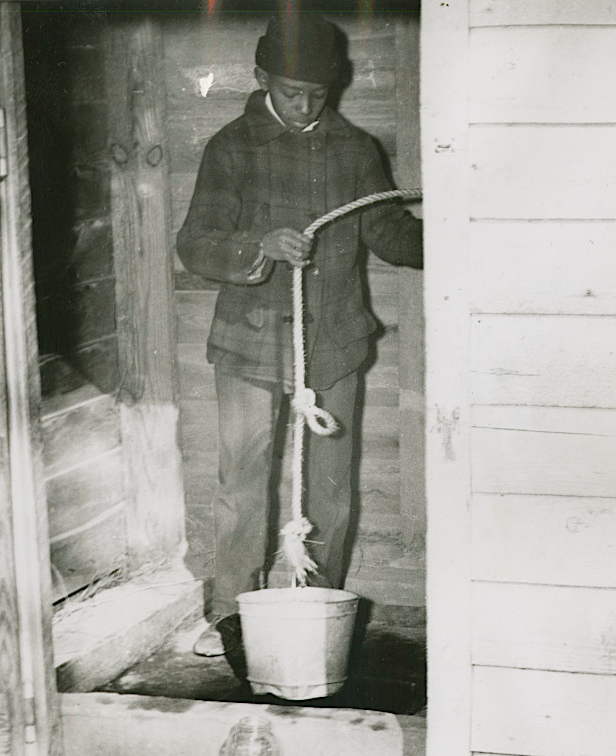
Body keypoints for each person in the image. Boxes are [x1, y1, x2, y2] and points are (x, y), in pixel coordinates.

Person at [177, 10, 423, 657]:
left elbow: (390, 233)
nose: (306, 104)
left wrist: (455, 230)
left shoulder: (356, 150)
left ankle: (320, 611)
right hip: (250, 342)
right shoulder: (230, 148)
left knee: (332, 492)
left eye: (318, 93)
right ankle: (233, 615)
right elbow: (193, 245)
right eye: (292, 92)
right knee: (242, 484)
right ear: (261, 78)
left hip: (335, 342)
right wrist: (253, 246)